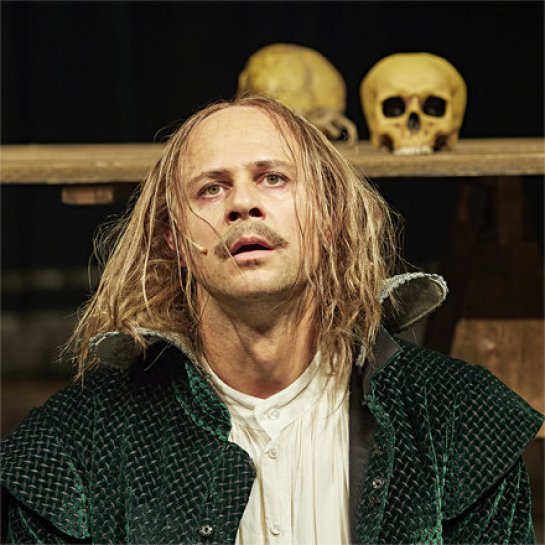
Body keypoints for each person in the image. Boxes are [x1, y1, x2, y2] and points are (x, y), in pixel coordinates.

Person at [1, 96, 543, 545]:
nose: (243, 204)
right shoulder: (73, 444)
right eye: (210, 188)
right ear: (174, 242)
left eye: (273, 178)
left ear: (330, 217)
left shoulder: (456, 418)